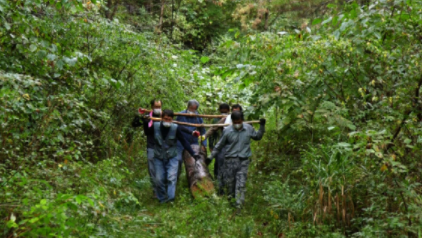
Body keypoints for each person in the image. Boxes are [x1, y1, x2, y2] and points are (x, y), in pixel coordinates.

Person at [210, 111, 266, 208]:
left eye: (239, 122)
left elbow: (257, 137)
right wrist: (210, 157)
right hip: (230, 161)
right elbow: (219, 146)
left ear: (242, 120)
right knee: (230, 184)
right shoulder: (227, 131)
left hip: (243, 161)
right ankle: (231, 202)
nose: (237, 124)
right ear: (232, 121)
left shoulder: (248, 128)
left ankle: (238, 206)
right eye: (235, 122)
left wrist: (262, 126)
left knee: (241, 184)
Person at [143, 109, 201, 203]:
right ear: (162, 118)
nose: (167, 121)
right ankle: (161, 198)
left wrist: (193, 154)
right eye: (165, 119)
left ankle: (170, 199)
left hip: (172, 156)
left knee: (171, 177)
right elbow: (147, 132)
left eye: (169, 119)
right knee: (159, 179)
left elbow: (184, 141)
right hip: (158, 156)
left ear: (172, 119)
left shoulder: (175, 128)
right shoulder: (155, 126)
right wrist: (145, 122)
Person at [175, 100, 207, 176]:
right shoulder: (181, 115)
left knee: (194, 160)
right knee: (178, 160)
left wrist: (204, 144)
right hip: (180, 142)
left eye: (194, 109)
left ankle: (195, 178)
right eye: (191, 108)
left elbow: (203, 131)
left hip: (193, 142)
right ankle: (176, 178)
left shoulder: (198, 117)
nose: (192, 110)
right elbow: (176, 127)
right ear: (188, 107)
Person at [207, 103, 230, 179]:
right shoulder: (215, 119)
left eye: (225, 112)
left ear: (228, 111)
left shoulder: (231, 119)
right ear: (220, 110)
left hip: (229, 145)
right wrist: (211, 146)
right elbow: (212, 132)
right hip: (218, 144)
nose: (223, 113)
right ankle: (217, 178)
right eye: (222, 111)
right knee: (218, 162)